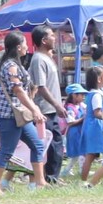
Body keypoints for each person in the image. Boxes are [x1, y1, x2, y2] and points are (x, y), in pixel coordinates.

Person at [0, 32, 47, 195]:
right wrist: (35, 109)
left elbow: (23, 92)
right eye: (25, 44)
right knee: (6, 151)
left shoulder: (15, 64)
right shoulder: (10, 66)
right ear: (18, 47)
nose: (27, 47)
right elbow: (18, 91)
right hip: (9, 116)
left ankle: (41, 182)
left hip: (19, 115)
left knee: (37, 145)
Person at [26, 26, 65, 183]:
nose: (54, 38)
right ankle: (47, 178)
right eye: (51, 35)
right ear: (43, 40)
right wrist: (57, 104)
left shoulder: (47, 58)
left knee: (56, 143)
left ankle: (52, 177)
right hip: (44, 110)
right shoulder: (38, 60)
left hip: (50, 109)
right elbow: (41, 87)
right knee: (49, 145)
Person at [70, 69, 103, 184]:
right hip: (95, 127)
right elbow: (97, 113)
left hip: (92, 126)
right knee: (91, 155)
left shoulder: (92, 94)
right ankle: (84, 179)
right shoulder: (97, 95)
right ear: (99, 79)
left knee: (95, 154)